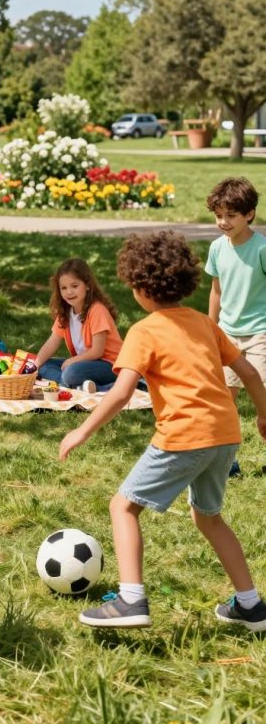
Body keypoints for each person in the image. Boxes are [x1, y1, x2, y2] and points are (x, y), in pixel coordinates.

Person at [59, 230, 266, 631]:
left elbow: (120, 394)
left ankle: (131, 600)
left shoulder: (144, 331)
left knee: (123, 506)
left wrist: (82, 431)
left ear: (139, 287)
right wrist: (263, 414)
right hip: (225, 435)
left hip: (184, 436)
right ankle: (251, 605)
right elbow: (249, 373)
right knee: (208, 517)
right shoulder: (205, 324)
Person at [206, 177, 266, 476]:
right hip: (227, 334)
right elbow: (216, 291)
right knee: (223, 400)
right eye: (219, 216)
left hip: (260, 334)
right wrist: (211, 329)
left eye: (231, 215)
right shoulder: (217, 248)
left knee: (264, 398)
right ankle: (227, 462)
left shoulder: (262, 249)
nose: (223, 222)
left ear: (249, 214)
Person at [35, 258, 123, 393]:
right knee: (43, 365)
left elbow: (97, 351)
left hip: (110, 365)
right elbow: (52, 342)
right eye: (63, 288)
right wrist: (34, 366)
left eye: (74, 286)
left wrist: (72, 361)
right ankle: (80, 387)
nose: (69, 292)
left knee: (71, 373)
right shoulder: (65, 312)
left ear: (87, 285)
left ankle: (96, 386)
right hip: (84, 363)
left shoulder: (97, 310)